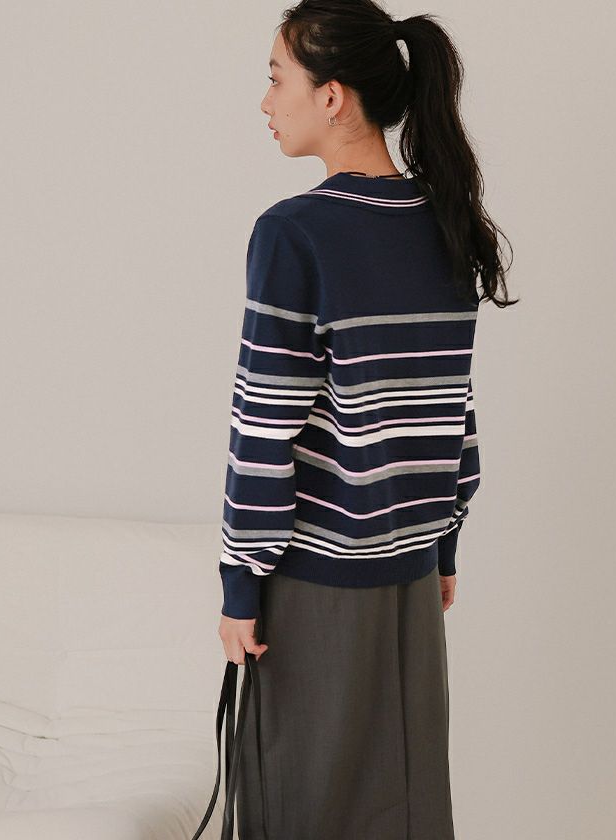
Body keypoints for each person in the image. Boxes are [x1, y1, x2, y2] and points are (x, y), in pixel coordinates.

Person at [216, 2, 517, 838]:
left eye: (277, 79)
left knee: (301, 810)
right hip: (413, 580)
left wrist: (241, 583)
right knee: (404, 808)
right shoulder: (444, 218)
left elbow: (264, 424)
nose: (266, 101)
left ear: (332, 95)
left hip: (316, 585)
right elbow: (453, 411)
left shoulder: (295, 233)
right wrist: (443, 546)